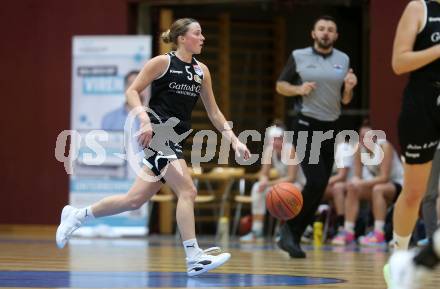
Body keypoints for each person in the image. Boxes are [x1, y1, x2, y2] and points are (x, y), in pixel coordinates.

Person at [55, 18, 250, 277]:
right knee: (187, 190)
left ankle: (78, 215)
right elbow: (132, 92)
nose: (203, 38)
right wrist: (144, 119)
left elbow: (214, 112)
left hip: (176, 139)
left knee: (133, 200)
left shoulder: (202, 70)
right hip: (158, 135)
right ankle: (193, 256)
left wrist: (235, 141)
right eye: (197, 33)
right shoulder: (162, 63)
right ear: (182, 38)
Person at [275, 15, 357, 258]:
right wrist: (299, 89)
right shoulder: (299, 56)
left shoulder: (343, 59)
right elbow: (281, 85)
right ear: (313, 33)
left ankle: (292, 235)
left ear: (336, 35)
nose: (326, 33)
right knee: (315, 181)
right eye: (321, 29)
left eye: (330, 30)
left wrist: (349, 88)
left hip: (330, 126)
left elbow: (345, 101)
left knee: (320, 186)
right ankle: (289, 230)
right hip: (305, 124)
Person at [384, 1, 440, 288]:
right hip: (422, 107)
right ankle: (399, 258)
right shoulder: (420, 8)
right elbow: (399, 63)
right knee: (414, 192)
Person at [331, 120, 403, 246]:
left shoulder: (385, 146)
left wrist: (360, 183)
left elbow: (384, 178)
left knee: (378, 189)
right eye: (362, 136)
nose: (364, 139)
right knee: (352, 188)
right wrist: (354, 183)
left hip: (398, 184)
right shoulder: (359, 149)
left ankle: (379, 233)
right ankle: (348, 232)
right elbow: (357, 177)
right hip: (376, 185)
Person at [239, 122, 306, 242]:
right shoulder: (269, 151)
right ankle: (257, 230)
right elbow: (263, 174)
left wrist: (268, 183)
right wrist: (263, 181)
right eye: (273, 139)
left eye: (279, 139)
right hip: (281, 185)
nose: (276, 142)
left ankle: (287, 230)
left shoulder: (290, 149)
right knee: (257, 187)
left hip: (297, 185)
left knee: (283, 194)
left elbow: (291, 177)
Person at [418, 148, 440, 246]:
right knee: (429, 194)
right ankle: (432, 238)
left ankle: (432, 237)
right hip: (430, 148)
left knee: (430, 194)